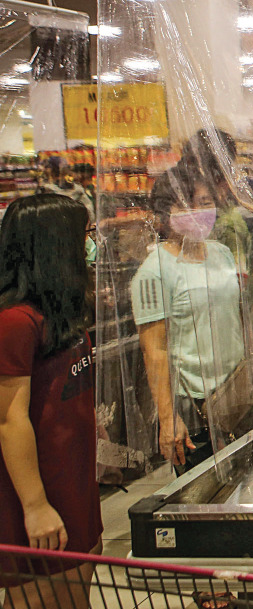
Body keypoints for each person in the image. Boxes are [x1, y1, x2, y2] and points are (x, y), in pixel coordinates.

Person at [132, 168, 253, 473]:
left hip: (239, 393)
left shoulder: (221, 254)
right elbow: (154, 350)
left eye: (205, 201)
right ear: (165, 211)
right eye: (187, 205)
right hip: (195, 405)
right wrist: (169, 418)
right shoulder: (154, 271)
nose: (199, 212)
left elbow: (239, 321)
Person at [0, 194, 101, 604]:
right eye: (85, 235)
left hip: (75, 481)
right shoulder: (15, 322)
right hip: (39, 490)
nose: (90, 244)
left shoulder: (61, 311)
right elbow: (9, 420)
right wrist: (35, 505)